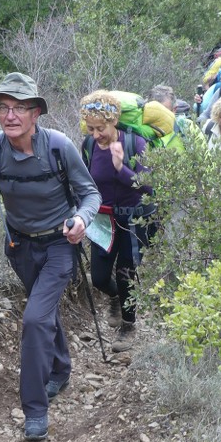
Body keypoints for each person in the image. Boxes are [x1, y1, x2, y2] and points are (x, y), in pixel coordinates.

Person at [0, 72, 101, 442]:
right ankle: (60, 369)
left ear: (35, 114)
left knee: (33, 320)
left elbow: (90, 194)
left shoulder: (59, 147)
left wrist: (81, 219)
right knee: (42, 314)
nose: (10, 115)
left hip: (61, 244)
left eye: (19, 108)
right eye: (3, 107)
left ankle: (35, 409)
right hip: (20, 247)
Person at [79, 90, 153, 352]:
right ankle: (114, 297)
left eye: (101, 128)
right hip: (101, 218)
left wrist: (121, 168)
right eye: (91, 128)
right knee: (99, 277)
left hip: (133, 220)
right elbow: (85, 181)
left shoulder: (136, 144)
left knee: (126, 273)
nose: (96, 134)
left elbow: (148, 186)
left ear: (114, 122)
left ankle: (128, 326)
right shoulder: (88, 146)